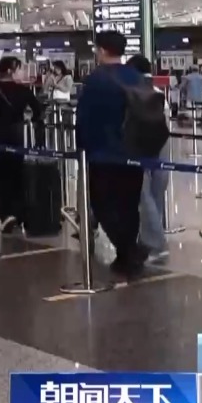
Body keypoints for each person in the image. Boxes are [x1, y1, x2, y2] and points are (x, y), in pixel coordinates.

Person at [75, 31, 147, 278]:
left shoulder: (96, 80)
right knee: (129, 205)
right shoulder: (136, 77)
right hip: (134, 152)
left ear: (102, 50)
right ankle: (126, 254)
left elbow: (84, 118)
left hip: (103, 153)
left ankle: (128, 251)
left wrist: (81, 149)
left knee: (102, 204)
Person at [0, 56, 43, 235]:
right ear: (11, 70)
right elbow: (38, 111)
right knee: (17, 176)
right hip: (15, 137)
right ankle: (17, 214)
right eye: (20, 68)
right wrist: (31, 121)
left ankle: (5, 215)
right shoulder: (22, 91)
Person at [127, 56, 170, 261]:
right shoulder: (158, 92)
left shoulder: (131, 90)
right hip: (162, 141)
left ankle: (156, 243)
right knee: (157, 190)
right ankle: (151, 237)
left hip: (139, 144)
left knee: (143, 192)